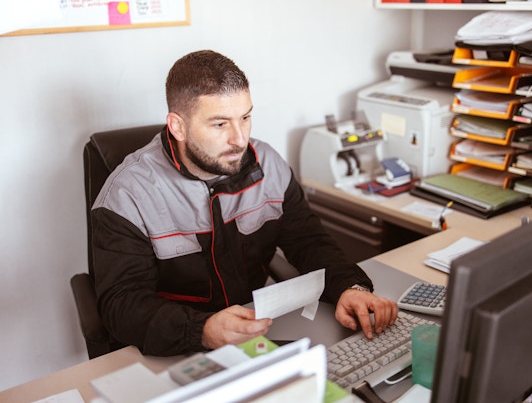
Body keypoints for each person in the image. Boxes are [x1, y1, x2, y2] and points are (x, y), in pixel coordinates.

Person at [92, 50, 398, 356]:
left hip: (257, 330)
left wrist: (349, 287)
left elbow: (308, 240)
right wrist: (202, 331)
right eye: (220, 124)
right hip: (174, 348)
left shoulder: (268, 164)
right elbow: (122, 303)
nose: (240, 139)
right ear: (178, 127)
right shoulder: (127, 194)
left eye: (245, 117)